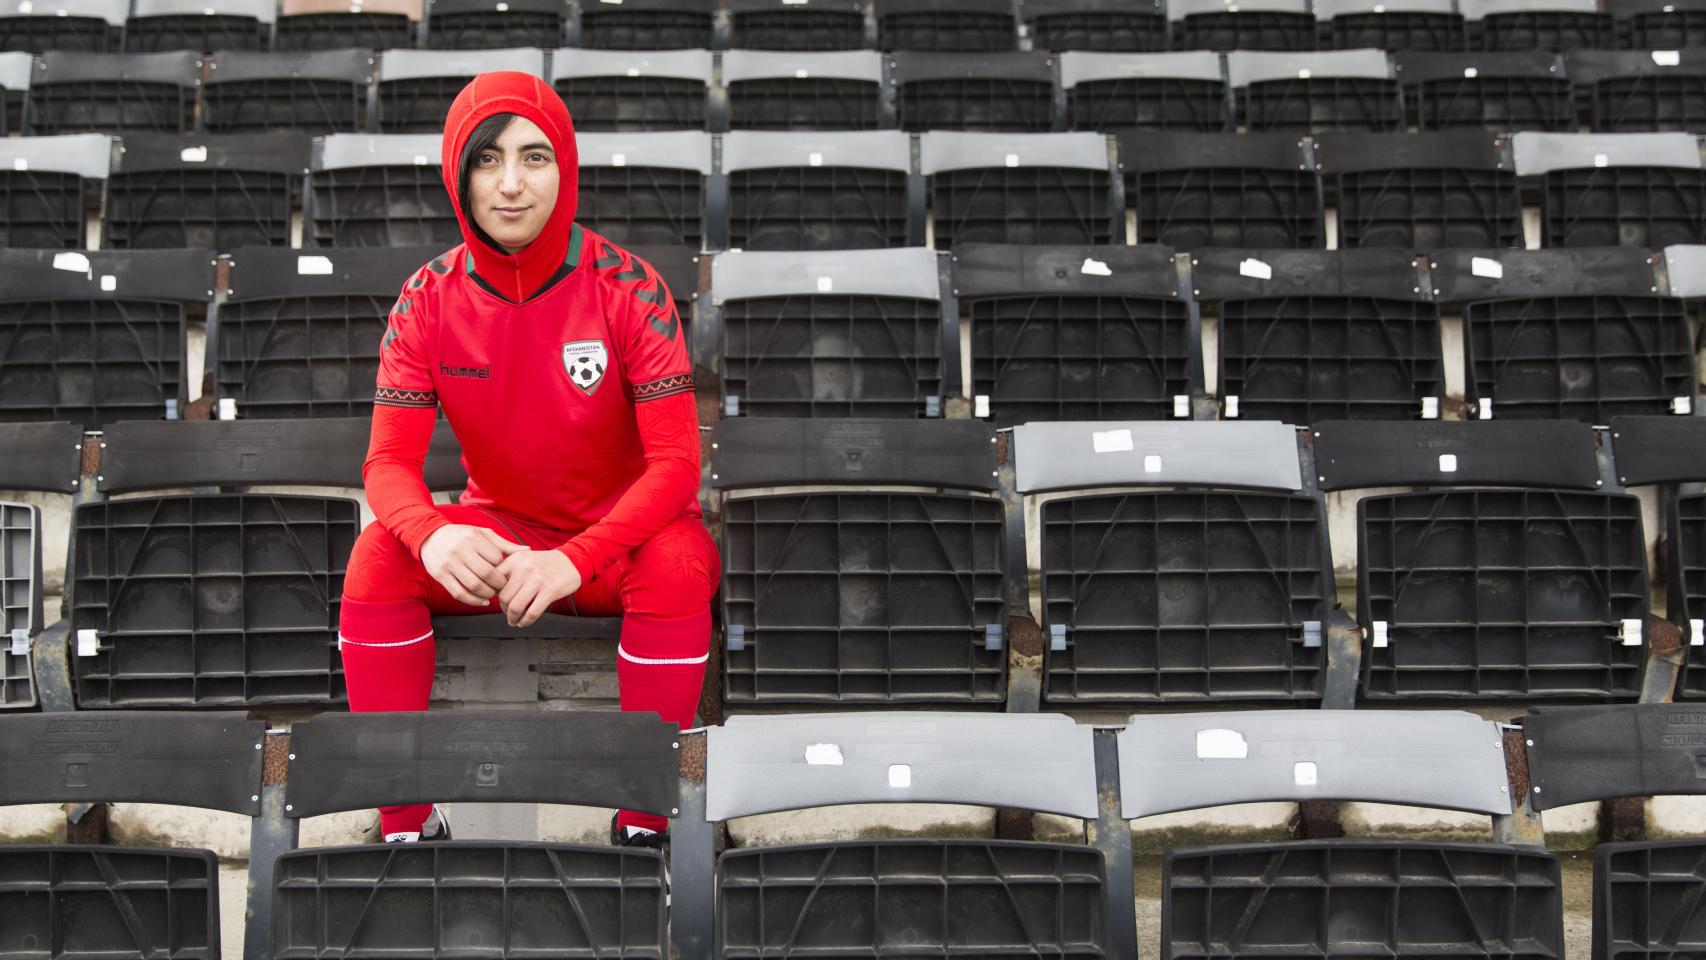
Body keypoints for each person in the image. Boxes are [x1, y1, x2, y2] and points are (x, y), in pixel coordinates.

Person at [336, 71, 718, 846]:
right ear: (458, 173)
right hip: (504, 538)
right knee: (379, 555)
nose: (510, 184)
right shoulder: (426, 299)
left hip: (617, 544)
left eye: (534, 157)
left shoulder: (631, 289)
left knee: (682, 562)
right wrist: (436, 536)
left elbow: (677, 465)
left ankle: (648, 821)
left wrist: (575, 560)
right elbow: (386, 464)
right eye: (487, 160)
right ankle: (407, 823)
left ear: (566, 166)